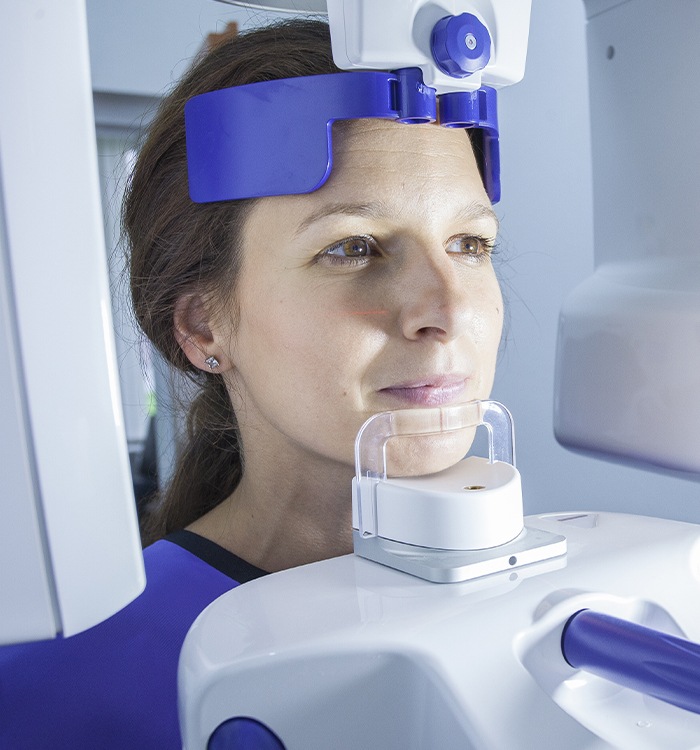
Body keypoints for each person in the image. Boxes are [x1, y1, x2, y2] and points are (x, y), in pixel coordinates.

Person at [0, 18, 502, 749]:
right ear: (205, 328)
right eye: (353, 247)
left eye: (470, 243)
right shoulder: (66, 678)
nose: (447, 310)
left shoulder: (571, 603)